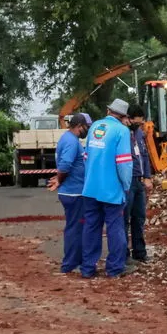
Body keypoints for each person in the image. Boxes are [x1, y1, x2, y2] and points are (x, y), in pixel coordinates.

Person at [80, 99, 135, 278]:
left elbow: (86, 157)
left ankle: (88, 268)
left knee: (91, 228)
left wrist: (89, 180)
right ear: (124, 117)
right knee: (115, 228)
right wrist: (126, 186)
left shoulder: (95, 126)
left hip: (90, 188)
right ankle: (114, 269)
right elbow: (124, 163)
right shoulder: (122, 131)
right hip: (111, 189)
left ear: (108, 110)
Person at [48, 112, 92, 274]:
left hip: (73, 191)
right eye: (86, 127)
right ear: (79, 126)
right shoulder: (72, 142)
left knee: (76, 227)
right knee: (75, 228)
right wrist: (60, 180)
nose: (87, 130)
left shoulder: (69, 139)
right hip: (74, 193)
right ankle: (69, 263)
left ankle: (75, 260)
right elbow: (65, 165)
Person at [124, 103, 153, 263]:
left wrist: (147, 176)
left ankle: (139, 252)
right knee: (124, 219)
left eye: (142, 123)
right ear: (128, 119)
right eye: (138, 122)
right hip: (127, 183)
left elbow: (145, 156)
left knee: (139, 218)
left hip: (139, 183)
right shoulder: (122, 135)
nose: (140, 125)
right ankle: (124, 253)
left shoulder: (140, 134)